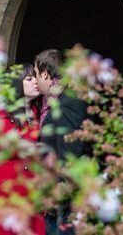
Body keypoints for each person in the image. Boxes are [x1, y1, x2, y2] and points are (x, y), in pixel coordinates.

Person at [0, 64, 46, 234]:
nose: (36, 81)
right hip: (4, 201)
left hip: (32, 201)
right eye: (29, 78)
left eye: (35, 77)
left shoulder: (39, 114)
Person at [33, 49, 90, 235]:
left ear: (45, 73)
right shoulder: (53, 101)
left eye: (36, 74)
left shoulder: (69, 103)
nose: (35, 80)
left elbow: (70, 153)